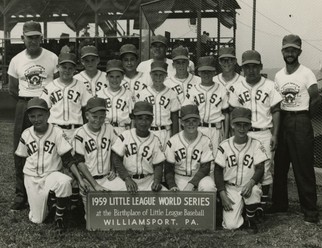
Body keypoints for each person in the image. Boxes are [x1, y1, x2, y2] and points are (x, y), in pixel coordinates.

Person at [8, 20, 58, 211]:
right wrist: (27, 103)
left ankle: (50, 193)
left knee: (50, 147)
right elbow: (13, 89)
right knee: (21, 149)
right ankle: (21, 195)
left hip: (46, 103)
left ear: (41, 37)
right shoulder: (16, 60)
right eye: (30, 37)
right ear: (23, 38)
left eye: (37, 37)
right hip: (25, 103)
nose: (34, 40)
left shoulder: (52, 57)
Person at [271, 34, 321, 224]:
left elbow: (315, 98)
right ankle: (279, 204)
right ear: (282, 51)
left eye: (293, 50)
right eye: (286, 50)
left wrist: (305, 117)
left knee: (303, 167)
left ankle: (310, 211)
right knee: (280, 164)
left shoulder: (306, 73)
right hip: (283, 119)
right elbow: (276, 100)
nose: (289, 53)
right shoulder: (279, 75)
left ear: (299, 51)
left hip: (300, 118)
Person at [15, 97, 85, 232]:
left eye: (40, 115)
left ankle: (59, 217)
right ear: (28, 117)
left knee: (64, 181)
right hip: (31, 177)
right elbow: (21, 159)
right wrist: (23, 186)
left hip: (51, 175)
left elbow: (67, 159)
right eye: (32, 116)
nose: (37, 119)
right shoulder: (26, 134)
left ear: (48, 114)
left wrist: (80, 179)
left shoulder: (57, 132)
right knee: (37, 220)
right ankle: (50, 202)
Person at [228, 50, 282, 216]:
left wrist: (275, 134)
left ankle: (262, 205)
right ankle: (247, 203)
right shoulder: (236, 87)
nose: (251, 70)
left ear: (261, 67)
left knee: (264, 170)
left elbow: (276, 111)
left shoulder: (270, 85)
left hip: (264, 132)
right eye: (247, 67)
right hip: (244, 133)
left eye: (254, 66)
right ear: (242, 68)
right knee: (244, 168)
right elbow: (233, 112)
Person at [214, 107, 268, 233]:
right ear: (232, 125)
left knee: (254, 190)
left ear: (250, 126)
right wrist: (222, 195)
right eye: (238, 125)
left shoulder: (256, 144)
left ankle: (250, 219)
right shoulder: (224, 146)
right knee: (231, 226)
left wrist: (251, 182)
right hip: (231, 188)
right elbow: (217, 171)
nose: (242, 129)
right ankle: (242, 212)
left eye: (245, 125)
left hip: (248, 186)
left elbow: (260, 168)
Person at [73, 97, 126, 214]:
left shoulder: (109, 128)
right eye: (94, 116)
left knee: (126, 192)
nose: (98, 120)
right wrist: (95, 185)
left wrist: (113, 169)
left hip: (107, 178)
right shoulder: (79, 133)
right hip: (89, 181)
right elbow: (79, 162)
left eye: (102, 117)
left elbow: (115, 150)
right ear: (87, 115)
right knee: (95, 220)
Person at [111, 101, 166, 193]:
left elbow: (158, 164)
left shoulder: (155, 140)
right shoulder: (125, 135)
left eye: (147, 119)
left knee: (167, 199)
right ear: (134, 119)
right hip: (127, 179)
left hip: (148, 180)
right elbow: (116, 158)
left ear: (152, 120)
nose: (143, 122)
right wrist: (126, 178)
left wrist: (156, 181)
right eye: (140, 118)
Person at [185, 56, 229, 164]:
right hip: (197, 129)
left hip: (215, 130)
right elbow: (187, 113)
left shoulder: (222, 89)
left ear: (214, 72)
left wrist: (226, 135)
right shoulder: (193, 90)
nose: (206, 74)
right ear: (198, 73)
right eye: (203, 72)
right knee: (196, 160)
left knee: (215, 161)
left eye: (209, 71)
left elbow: (226, 113)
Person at [40, 53, 92, 141]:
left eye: (70, 68)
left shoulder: (81, 86)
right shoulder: (50, 86)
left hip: (75, 130)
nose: (67, 70)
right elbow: (44, 109)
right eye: (64, 67)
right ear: (58, 67)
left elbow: (87, 109)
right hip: (55, 129)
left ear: (75, 69)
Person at [164, 104, 216, 192]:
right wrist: (172, 185)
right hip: (179, 177)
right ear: (182, 122)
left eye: (194, 120)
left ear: (199, 121)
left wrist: (191, 184)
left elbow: (205, 168)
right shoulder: (173, 141)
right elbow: (168, 168)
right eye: (187, 121)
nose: (191, 124)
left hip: (199, 177)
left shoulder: (205, 141)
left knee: (209, 186)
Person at [135, 61, 180, 150]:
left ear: (165, 76)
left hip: (165, 132)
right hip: (147, 131)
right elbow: (137, 117)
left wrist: (174, 138)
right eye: (155, 74)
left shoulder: (172, 94)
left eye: (161, 75)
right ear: (151, 75)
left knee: (166, 160)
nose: (158, 78)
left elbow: (174, 117)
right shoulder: (143, 94)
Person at [97, 59, 134, 135]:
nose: (114, 80)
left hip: (123, 129)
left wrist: (132, 133)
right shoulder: (100, 94)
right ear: (106, 77)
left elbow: (134, 118)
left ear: (123, 77)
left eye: (118, 76)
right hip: (104, 129)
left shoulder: (129, 94)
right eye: (111, 76)